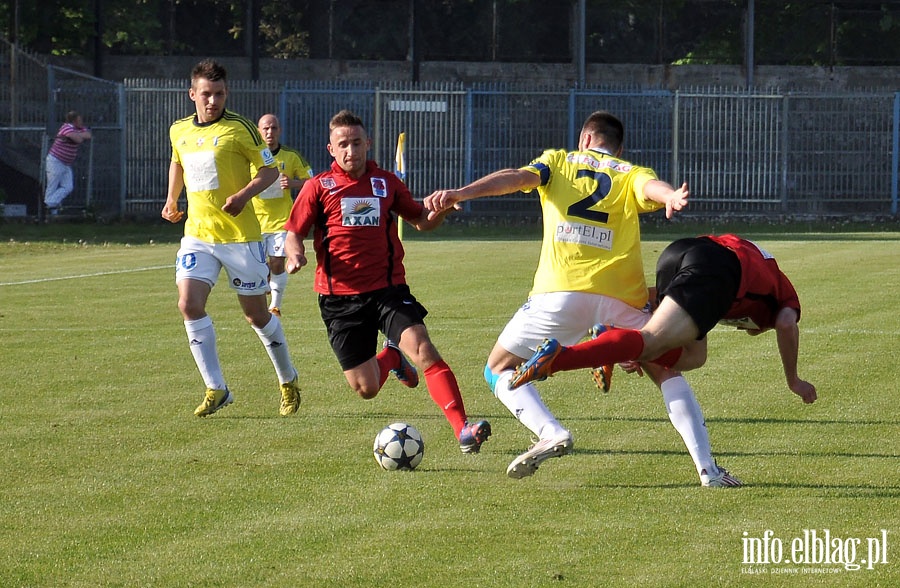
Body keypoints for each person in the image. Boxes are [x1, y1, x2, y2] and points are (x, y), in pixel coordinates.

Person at [424, 110, 739, 487]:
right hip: (623, 298)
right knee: (665, 369)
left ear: (585, 139)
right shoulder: (627, 171)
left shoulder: (557, 161)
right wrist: (670, 196)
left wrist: (463, 192)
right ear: (618, 148)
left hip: (559, 295)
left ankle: (550, 431)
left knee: (498, 368)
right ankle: (708, 470)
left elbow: (517, 178)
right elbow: (649, 188)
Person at [283, 109, 491, 454]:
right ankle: (392, 359)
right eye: (343, 145)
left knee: (424, 349)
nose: (351, 151)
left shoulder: (387, 183)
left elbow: (421, 221)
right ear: (331, 149)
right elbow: (293, 232)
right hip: (340, 299)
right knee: (365, 388)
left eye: (357, 143)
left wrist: (440, 208)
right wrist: (296, 254)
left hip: (387, 290)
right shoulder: (318, 187)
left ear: (368, 143)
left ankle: (463, 429)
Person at [511, 233, 818, 406]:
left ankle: (610, 336)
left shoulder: (758, 275)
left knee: (693, 352)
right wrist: (794, 380)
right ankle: (559, 359)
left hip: (681, 250)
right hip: (718, 271)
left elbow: (663, 297)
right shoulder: (783, 297)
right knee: (651, 344)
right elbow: (787, 324)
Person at [161, 59, 301, 418]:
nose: (213, 101)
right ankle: (216, 387)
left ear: (226, 94)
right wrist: (171, 199)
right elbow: (177, 161)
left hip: (240, 237)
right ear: (192, 94)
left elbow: (269, 171)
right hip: (197, 235)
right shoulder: (179, 130)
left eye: (219, 94)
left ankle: (287, 379)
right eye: (206, 94)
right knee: (188, 304)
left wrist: (242, 197)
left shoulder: (241, 129)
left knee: (255, 314)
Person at [252, 113, 314, 317]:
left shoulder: (290, 156)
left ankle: (275, 306)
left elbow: (312, 181)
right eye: (265, 129)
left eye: (273, 128)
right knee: (258, 268)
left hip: (281, 221)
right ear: (258, 131)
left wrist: (294, 183)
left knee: (277, 261)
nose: (270, 132)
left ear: (279, 130)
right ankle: (265, 286)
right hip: (254, 222)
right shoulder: (250, 155)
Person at [44, 111, 92, 214]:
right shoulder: (66, 127)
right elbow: (78, 140)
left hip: (66, 163)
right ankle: (50, 212)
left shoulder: (78, 129)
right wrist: (79, 135)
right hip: (55, 161)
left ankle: (49, 204)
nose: (82, 122)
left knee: (68, 187)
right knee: (52, 186)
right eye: (79, 120)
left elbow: (88, 135)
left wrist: (78, 134)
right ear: (74, 121)